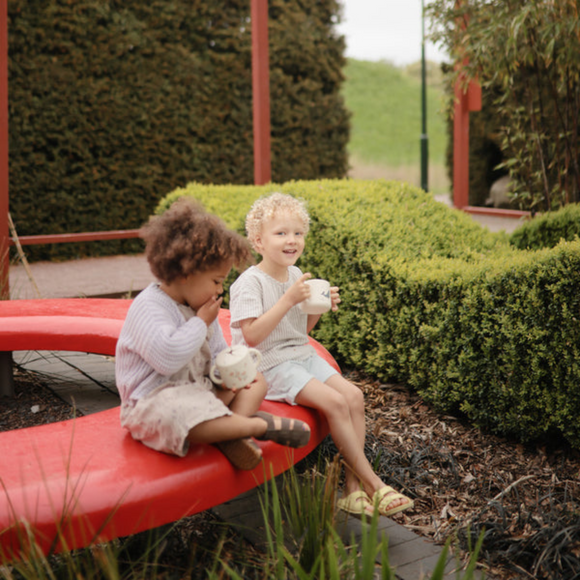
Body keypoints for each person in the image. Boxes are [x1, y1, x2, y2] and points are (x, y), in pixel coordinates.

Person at [229, 192, 414, 515]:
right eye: (281, 233)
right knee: (336, 402)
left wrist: (318, 308)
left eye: (298, 233)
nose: (292, 240)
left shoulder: (294, 274)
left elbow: (300, 332)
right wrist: (288, 300)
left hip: (298, 354)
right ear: (258, 242)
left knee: (354, 396)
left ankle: (352, 490)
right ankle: (375, 485)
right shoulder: (250, 283)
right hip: (269, 365)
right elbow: (253, 336)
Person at [115, 198, 311, 471]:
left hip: (199, 391)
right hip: (154, 403)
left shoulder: (199, 306)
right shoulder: (150, 307)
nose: (220, 290)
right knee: (175, 411)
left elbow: (219, 351)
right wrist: (199, 322)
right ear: (186, 273)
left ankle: (228, 432)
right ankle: (255, 425)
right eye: (217, 281)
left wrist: (227, 373)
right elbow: (167, 358)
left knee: (255, 379)